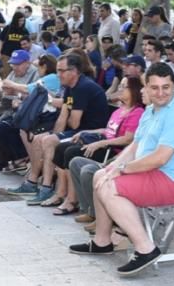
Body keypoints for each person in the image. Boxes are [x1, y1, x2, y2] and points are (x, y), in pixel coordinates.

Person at [68, 62, 174, 277]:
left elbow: (159, 158)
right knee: (101, 175)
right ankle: (102, 241)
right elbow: (135, 145)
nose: (161, 93)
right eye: (155, 87)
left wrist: (122, 170)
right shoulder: (151, 110)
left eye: (166, 87)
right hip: (156, 173)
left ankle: (145, 248)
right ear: (146, 87)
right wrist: (113, 166)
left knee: (110, 187)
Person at [51, 77, 145, 221]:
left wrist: (101, 144)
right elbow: (107, 130)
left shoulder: (137, 112)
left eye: (124, 86)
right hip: (105, 143)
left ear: (134, 90)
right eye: (120, 85)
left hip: (114, 151)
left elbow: (128, 139)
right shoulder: (119, 110)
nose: (120, 88)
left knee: (71, 152)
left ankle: (72, 200)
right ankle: (74, 200)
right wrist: (86, 133)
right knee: (62, 148)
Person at [21, 53, 109, 205]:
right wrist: (56, 133)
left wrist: (55, 134)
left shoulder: (83, 87)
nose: (58, 75)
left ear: (74, 71)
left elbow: (74, 123)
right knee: (38, 139)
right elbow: (63, 119)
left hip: (90, 133)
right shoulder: (70, 87)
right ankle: (32, 182)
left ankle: (47, 188)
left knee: (49, 141)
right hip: (77, 130)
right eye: (57, 70)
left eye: (62, 71)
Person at [0, 11, 29, 80]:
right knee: (6, 73)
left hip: (19, 57)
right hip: (7, 54)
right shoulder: (8, 28)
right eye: (19, 20)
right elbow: (1, 40)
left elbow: (27, 44)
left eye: (23, 21)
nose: (21, 22)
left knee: (18, 74)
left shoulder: (24, 31)